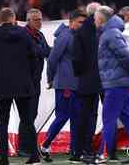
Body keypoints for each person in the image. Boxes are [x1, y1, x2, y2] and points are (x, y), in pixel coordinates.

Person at [0, 8, 40, 165]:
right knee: (27, 121)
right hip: (23, 84)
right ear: (14, 18)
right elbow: (34, 57)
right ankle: (34, 155)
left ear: (0, 20)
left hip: (2, 86)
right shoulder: (24, 34)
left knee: (3, 123)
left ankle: (4, 158)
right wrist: (32, 79)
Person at [93, 6, 129, 164]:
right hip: (118, 82)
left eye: (95, 18)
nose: (94, 21)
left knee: (108, 118)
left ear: (101, 19)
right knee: (127, 118)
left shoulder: (110, 34)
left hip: (115, 83)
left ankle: (103, 154)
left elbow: (125, 55)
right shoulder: (110, 33)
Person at [40, 9, 86, 163]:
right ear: (71, 21)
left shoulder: (74, 36)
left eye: (84, 23)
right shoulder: (65, 36)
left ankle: (75, 151)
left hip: (75, 84)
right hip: (66, 84)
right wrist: (50, 78)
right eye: (80, 22)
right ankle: (45, 145)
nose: (82, 25)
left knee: (76, 118)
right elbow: (52, 59)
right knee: (63, 116)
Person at [72, 2, 104, 162]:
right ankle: (103, 150)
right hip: (103, 78)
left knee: (84, 116)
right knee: (105, 115)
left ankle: (82, 150)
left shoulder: (80, 31)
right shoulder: (102, 30)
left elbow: (76, 58)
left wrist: (80, 73)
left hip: (86, 80)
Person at [18, 8, 51, 157]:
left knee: (33, 113)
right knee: (27, 115)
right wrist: (41, 50)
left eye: (40, 19)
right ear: (28, 21)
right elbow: (37, 52)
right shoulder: (23, 35)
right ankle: (24, 147)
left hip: (35, 81)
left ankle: (27, 144)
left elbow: (46, 52)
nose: (39, 22)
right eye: (36, 20)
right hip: (25, 80)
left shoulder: (40, 35)